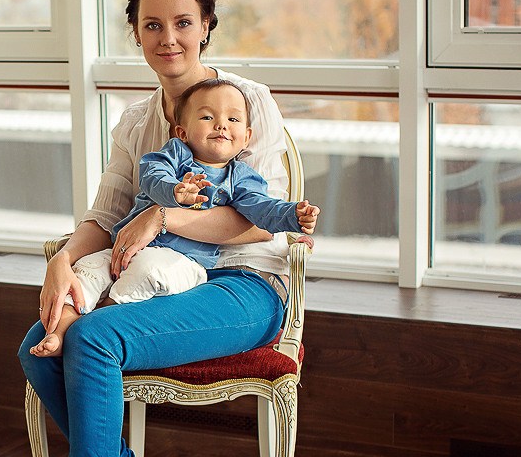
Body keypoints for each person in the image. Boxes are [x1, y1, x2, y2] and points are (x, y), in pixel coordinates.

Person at [19, 0, 297, 457]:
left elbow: (260, 222)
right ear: (137, 35)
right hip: (154, 282)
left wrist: (165, 214)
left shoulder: (245, 103)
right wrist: (63, 261)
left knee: (91, 338)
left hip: (243, 288)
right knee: (39, 342)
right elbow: (103, 216)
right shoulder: (137, 123)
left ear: (205, 29)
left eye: (182, 22)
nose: (168, 37)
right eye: (152, 25)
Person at [29, 77, 319, 357]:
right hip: (122, 251)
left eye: (233, 120)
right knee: (88, 270)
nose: (221, 125)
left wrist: (293, 215)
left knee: (148, 270)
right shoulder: (172, 156)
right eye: (207, 117)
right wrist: (175, 192)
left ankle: (102, 313)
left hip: (181, 262)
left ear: (246, 137)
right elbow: (152, 177)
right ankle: (61, 330)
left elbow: (261, 210)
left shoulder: (241, 179)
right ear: (182, 132)